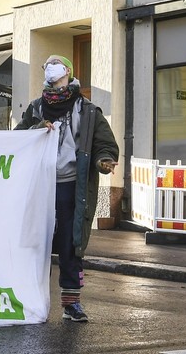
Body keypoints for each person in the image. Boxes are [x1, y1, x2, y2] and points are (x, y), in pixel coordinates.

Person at [14, 56, 119, 323]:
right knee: (38, 243)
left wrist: (103, 160)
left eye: (56, 63)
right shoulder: (36, 108)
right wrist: (38, 129)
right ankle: (31, 299)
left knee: (70, 245)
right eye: (46, 63)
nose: (50, 66)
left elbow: (104, 144)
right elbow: (18, 138)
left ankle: (71, 303)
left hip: (72, 187)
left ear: (68, 71)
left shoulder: (88, 110)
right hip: (41, 186)